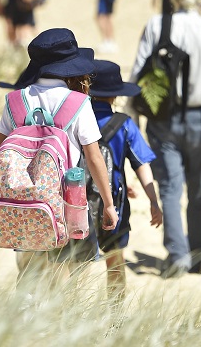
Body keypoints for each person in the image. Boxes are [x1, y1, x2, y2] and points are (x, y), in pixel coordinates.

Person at [0, 29, 118, 282]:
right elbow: (94, 159)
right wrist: (108, 204)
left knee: (29, 277)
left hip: (22, 200)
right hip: (65, 204)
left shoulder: (15, 100)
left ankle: (25, 319)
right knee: (66, 275)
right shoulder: (79, 103)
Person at [129, 0, 201, 277]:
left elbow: (138, 73)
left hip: (162, 117)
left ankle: (177, 254)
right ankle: (199, 254)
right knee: (200, 188)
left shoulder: (157, 25)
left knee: (170, 187)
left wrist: (133, 118)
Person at [84, 60, 163, 302]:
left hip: (77, 199)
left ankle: (70, 314)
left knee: (77, 261)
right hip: (114, 202)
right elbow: (142, 165)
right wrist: (153, 200)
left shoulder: (77, 119)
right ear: (115, 95)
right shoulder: (124, 124)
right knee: (115, 260)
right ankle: (115, 315)